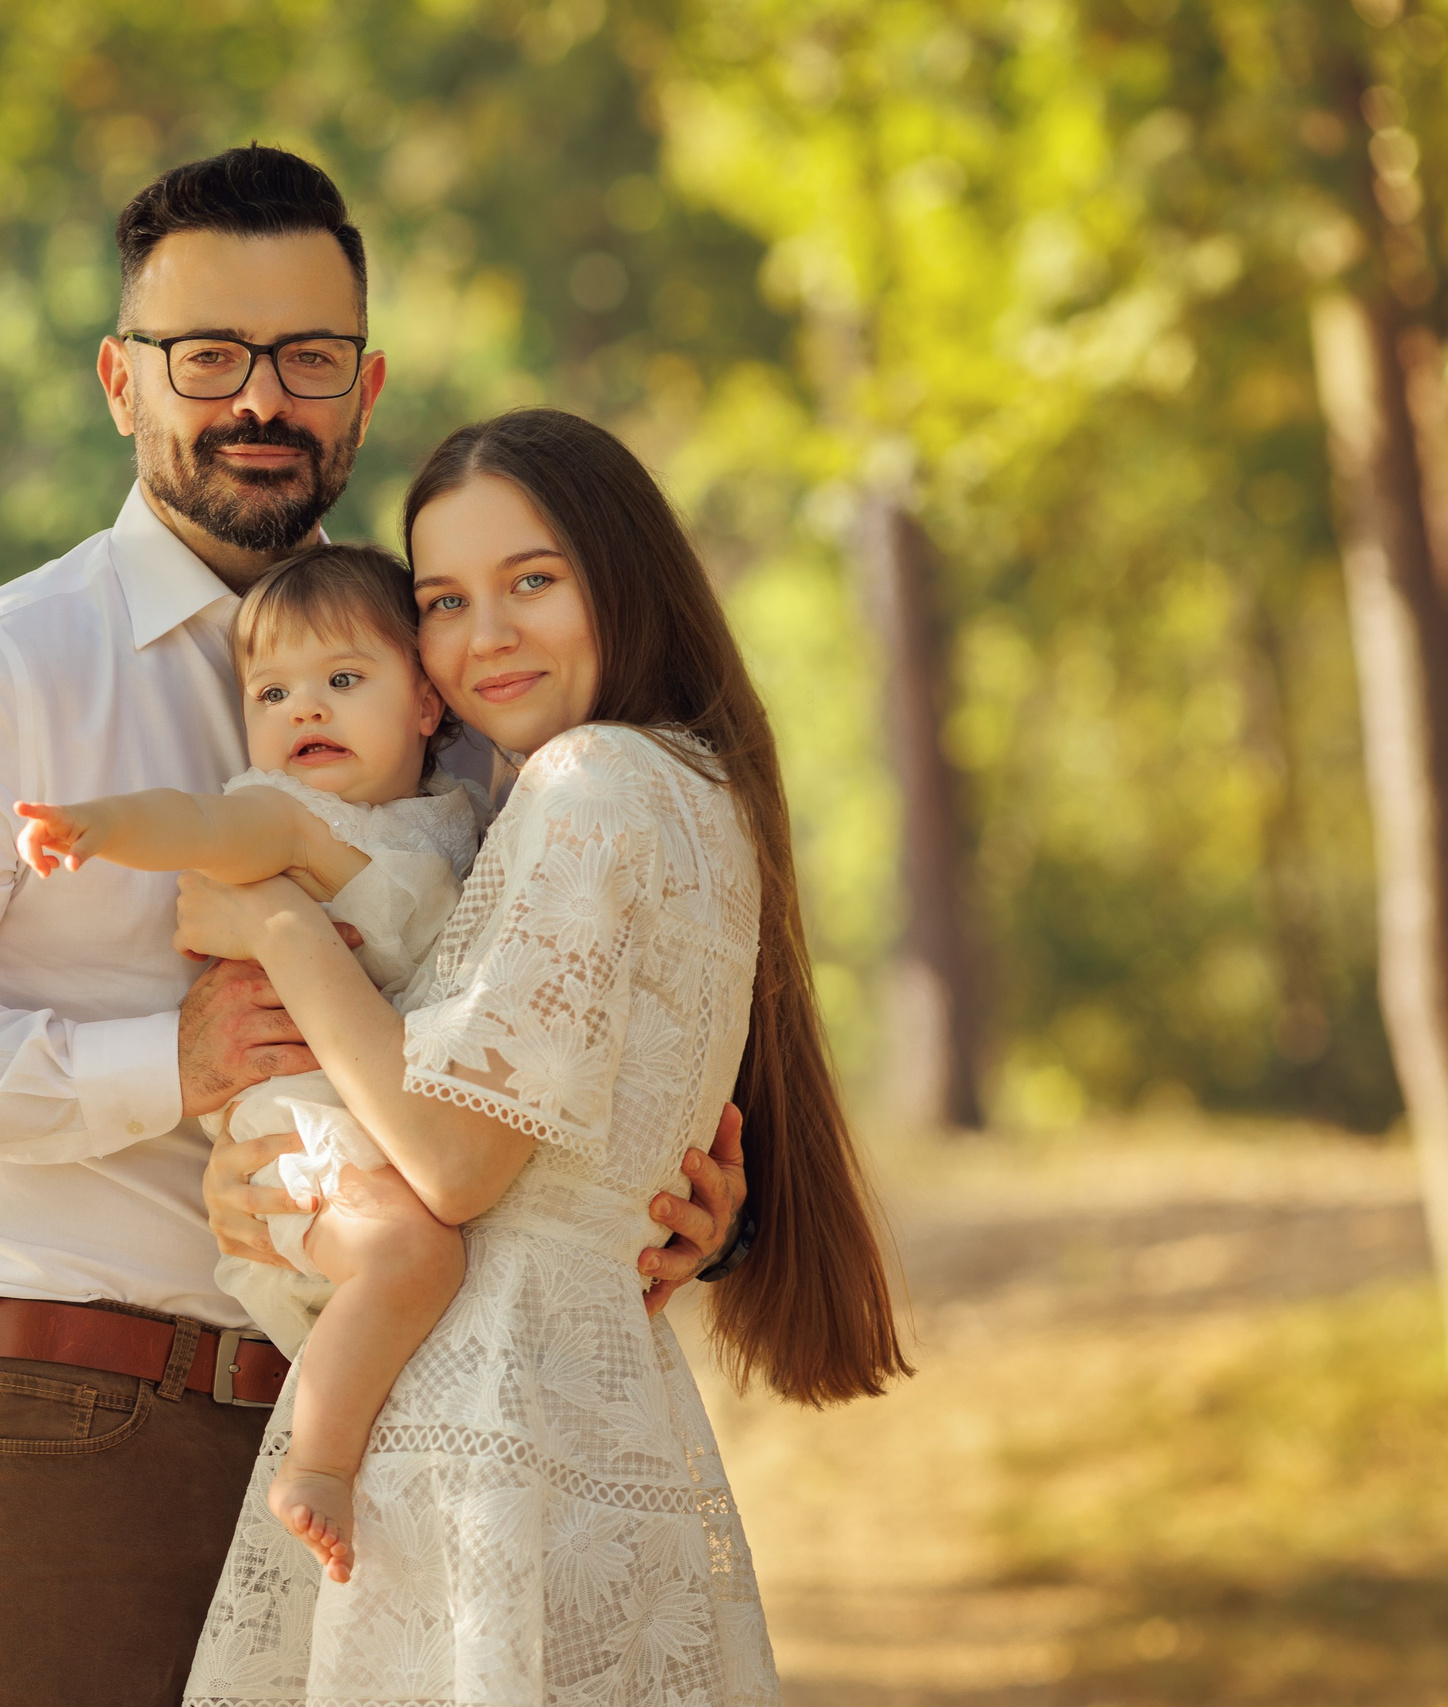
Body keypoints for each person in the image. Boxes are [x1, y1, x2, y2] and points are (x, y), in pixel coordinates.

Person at [0, 147, 745, 1707]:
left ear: (365, 385)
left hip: (402, 1424)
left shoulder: (445, 683)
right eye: (207, 356)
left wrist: (674, 1200)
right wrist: (169, 1060)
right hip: (80, 1429)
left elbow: (531, 1013)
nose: (260, 399)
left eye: (308, 358)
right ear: (120, 380)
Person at [177, 408, 908, 1707]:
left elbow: (455, 1160)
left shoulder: (587, 784)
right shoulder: (694, 793)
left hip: (484, 1447)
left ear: (623, 573)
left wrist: (284, 922)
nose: (486, 636)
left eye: (533, 580)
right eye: (446, 600)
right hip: (592, 1425)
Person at [16, 541, 487, 1584]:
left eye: (343, 681)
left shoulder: (455, 821)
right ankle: (316, 1468)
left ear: (425, 701)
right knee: (418, 1261)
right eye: (271, 691)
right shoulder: (286, 816)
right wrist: (96, 827)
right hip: (302, 1136)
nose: (304, 710)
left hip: (395, 1132)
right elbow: (195, 823)